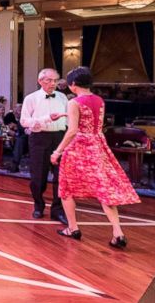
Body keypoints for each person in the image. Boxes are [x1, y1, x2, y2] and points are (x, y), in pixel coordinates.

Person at [51, 67, 141, 247]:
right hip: (98, 145)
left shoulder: (74, 102)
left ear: (73, 84)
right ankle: (117, 231)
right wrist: (63, 114)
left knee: (66, 187)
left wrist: (58, 151)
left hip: (79, 147)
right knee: (104, 188)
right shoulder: (99, 100)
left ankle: (73, 228)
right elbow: (89, 117)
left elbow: (73, 130)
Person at [20, 68, 70, 224]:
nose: (53, 83)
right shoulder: (31, 98)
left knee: (61, 177)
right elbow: (24, 122)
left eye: (55, 80)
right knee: (38, 177)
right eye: (49, 80)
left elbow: (68, 120)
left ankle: (57, 210)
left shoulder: (63, 98)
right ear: (40, 81)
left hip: (60, 138)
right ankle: (38, 206)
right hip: (39, 139)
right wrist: (46, 119)